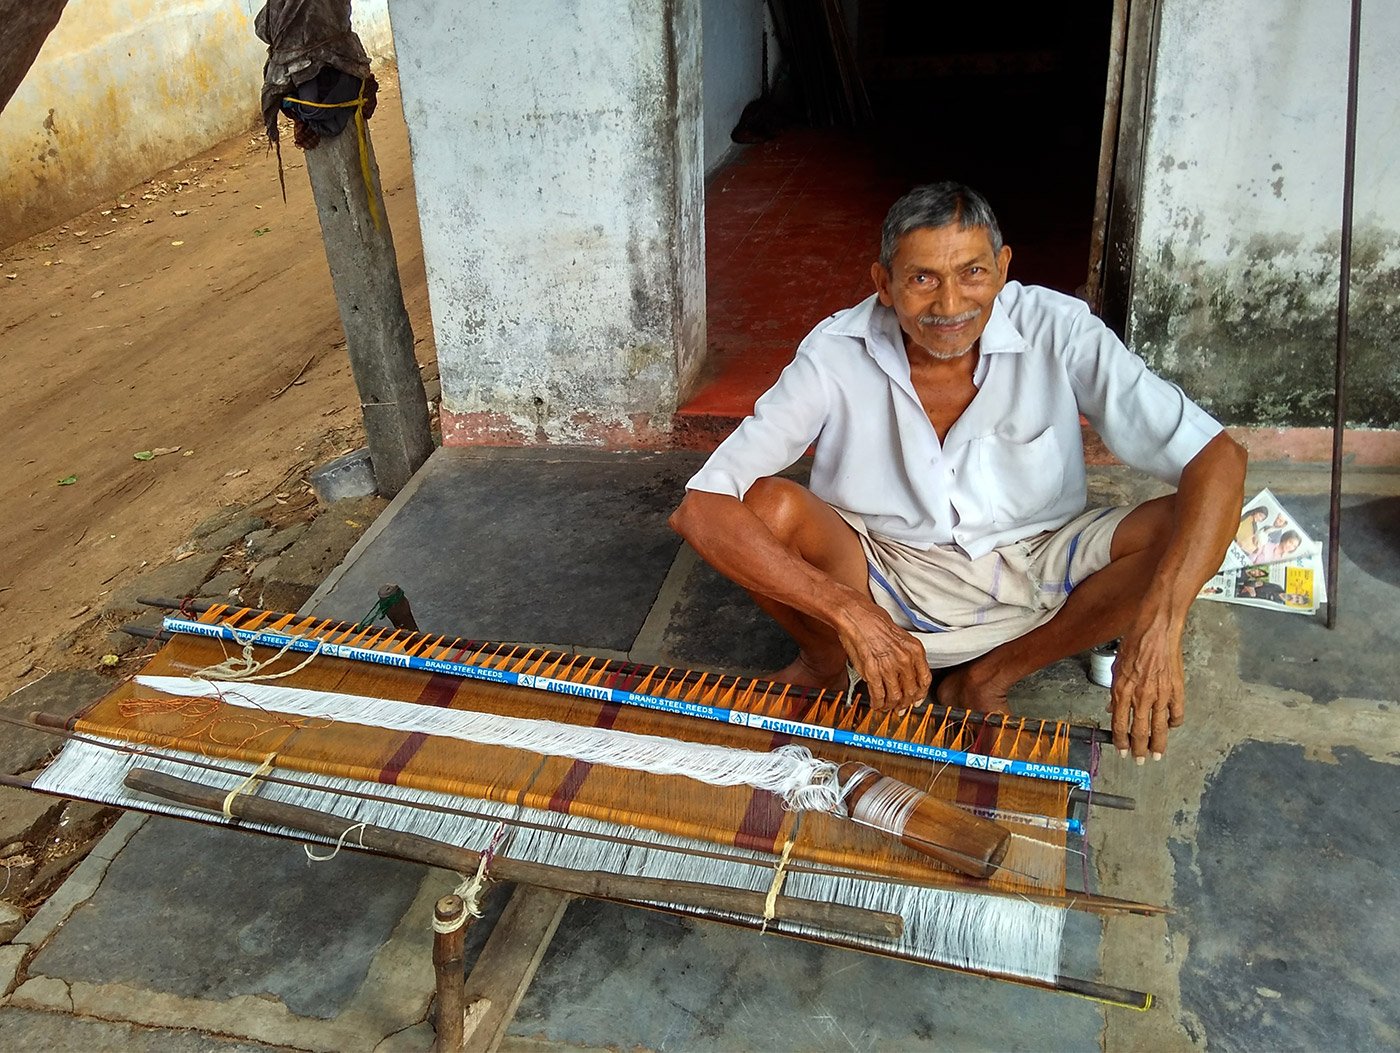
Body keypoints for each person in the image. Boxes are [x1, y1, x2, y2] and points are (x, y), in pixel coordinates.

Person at [669, 182, 1247, 762]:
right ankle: (825, 665)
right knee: (767, 508)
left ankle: (986, 678)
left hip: (1038, 563)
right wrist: (848, 613)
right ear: (883, 284)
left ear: (1002, 268)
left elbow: (1218, 458)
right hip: (880, 570)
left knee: (1191, 524)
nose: (950, 306)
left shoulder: (1059, 329)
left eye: (972, 273)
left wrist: (1160, 626)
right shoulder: (835, 352)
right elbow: (702, 507)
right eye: (922, 279)